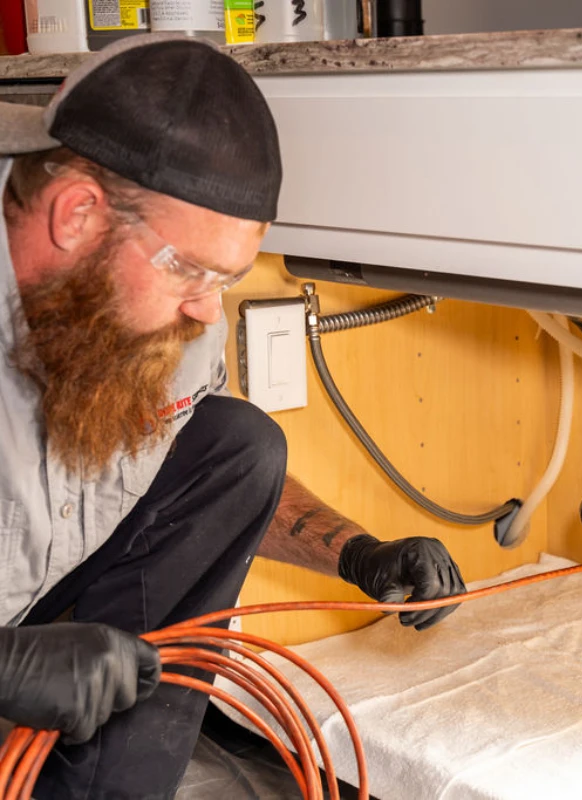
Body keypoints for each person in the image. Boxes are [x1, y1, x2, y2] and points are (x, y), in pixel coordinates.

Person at [0, 34, 467, 799]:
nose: (207, 311)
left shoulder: (173, 323)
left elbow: (190, 470)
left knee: (237, 445)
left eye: (228, 278)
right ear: (77, 214)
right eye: (190, 269)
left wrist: (359, 555)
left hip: (36, 613)